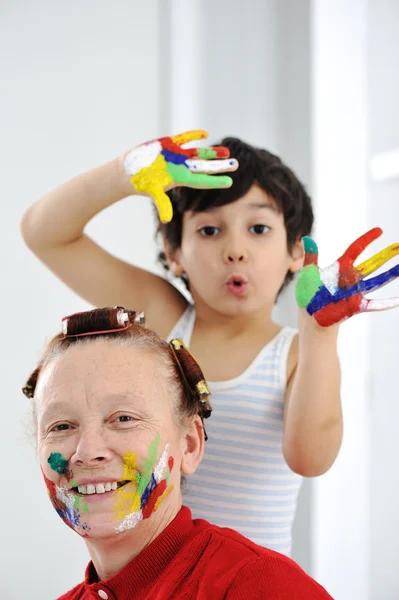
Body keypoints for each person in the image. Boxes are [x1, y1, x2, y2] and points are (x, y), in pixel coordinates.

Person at [20, 130, 399, 555]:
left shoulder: (294, 354)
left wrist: (321, 333)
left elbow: (311, 460)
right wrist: (123, 173)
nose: (235, 250)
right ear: (173, 250)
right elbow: (44, 233)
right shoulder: (165, 319)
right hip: (157, 577)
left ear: (297, 251)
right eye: (209, 230)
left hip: (248, 582)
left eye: (258, 228)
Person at [22, 306, 333, 599]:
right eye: (61, 426)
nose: (87, 452)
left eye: (124, 419)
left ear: (190, 444)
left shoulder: (263, 585)